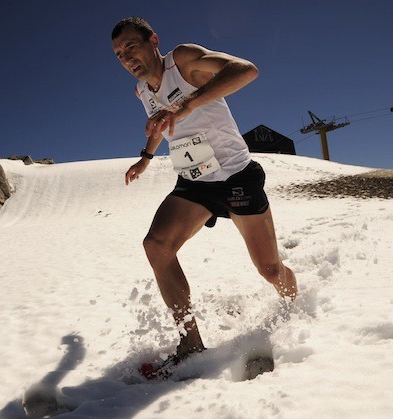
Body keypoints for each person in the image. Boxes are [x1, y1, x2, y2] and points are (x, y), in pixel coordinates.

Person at [111, 17, 297, 371]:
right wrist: (146, 157)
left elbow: (246, 71)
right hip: (195, 182)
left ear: (153, 40)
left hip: (235, 175)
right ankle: (190, 344)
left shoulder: (183, 61)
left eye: (131, 47)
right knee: (156, 246)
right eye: (120, 55)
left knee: (270, 270)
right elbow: (160, 120)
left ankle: (293, 303)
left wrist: (187, 104)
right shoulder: (142, 91)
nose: (127, 58)